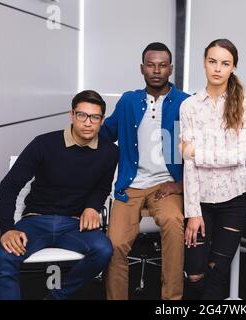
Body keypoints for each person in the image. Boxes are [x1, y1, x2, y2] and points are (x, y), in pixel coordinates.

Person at [0, 90, 118, 300]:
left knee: (103, 249)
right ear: (72, 115)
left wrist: (92, 207)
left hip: (74, 224)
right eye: (82, 115)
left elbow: (102, 187)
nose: (88, 122)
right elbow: (8, 186)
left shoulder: (109, 152)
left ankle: (57, 296)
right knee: (5, 255)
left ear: (102, 120)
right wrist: (7, 228)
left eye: (94, 117)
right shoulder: (44, 144)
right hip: (35, 221)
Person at [102, 42, 189, 300]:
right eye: (151, 65)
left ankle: (172, 301)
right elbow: (106, 134)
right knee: (115, 243)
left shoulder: (186, 103)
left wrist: (181, 184)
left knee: (174, 225)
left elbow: (198, 148)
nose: (156, 70)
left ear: (170, 69)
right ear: (142, 68)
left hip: (167, 184)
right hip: (131, 185)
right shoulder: (128, 101)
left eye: (162, 65)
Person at [180, 38, 246, 300]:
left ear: (233, 67)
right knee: (195, 273)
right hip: (199, 202)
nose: (217, 68)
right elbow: (188, 166)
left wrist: (195, 152)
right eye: (212, 62)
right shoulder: (189, 106)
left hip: (233, 200)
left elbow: (237, 156)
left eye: (225, 63)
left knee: (217, 269)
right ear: (204, 63)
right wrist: (192, 212)